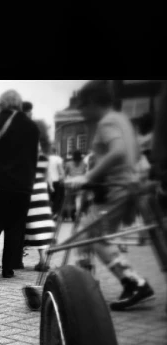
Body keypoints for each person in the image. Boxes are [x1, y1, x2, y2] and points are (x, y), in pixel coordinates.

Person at [65, 79, 154, 310]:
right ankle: (87, 285)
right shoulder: (121, 119)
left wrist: (88, 177)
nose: (82, 112)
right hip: (127, 187)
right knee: (86, 232)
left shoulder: (106, 123)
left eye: (83, 106)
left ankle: (133, 282)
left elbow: (119, 151)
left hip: (116, 189)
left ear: (94, 102)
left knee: (93, 234)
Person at [0, 90, 40, 279]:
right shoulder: (32, 127)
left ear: (1, 104)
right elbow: (35, 155)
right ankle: (8, 268)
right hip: (23, 185)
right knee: (15, 226)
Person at [24, 123, 56, 271]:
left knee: (35, 226)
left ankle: (43, 260)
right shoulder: (44, 155)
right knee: (43, 225)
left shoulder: (25, 153)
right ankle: (44, 259)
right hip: (42, 191)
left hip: (30, 191)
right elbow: (47, 176)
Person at [47, 144, 65, 218]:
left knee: (48, 198)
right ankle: (55, 213)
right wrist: (62, 178)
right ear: (55, 151)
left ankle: (48, 213)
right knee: (57, 198)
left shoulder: (46, 158)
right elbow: (61, 171)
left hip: (47, 181)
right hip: (56, 180)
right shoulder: (58, 159)